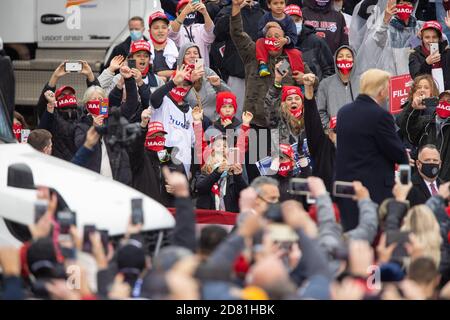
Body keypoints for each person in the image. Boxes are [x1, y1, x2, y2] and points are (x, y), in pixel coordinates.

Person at [335, 68, 408, 231]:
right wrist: (404, 184)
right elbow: (399, 154)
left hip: (346, 191)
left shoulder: (343, 113)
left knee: (352, 238)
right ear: (381, 90)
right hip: (375, 192)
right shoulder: (381, 116)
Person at [213, 0, 265, 116]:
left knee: (256, 119)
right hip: (236, 74)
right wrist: (237, 9)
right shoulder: (227, 10)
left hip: (258, 76)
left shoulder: (263, 14)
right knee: (233, 115)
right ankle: (232, 135)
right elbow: (218, 32)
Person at [127, 109, 186, 207]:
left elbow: (186, 190)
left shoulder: (173, 160)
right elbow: (136, 147)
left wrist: (177, 190)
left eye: (161, 135)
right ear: (146, 138)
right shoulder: (140, 158)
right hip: (146, 209)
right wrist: (143, 125)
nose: (158, 138)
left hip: (168, 212)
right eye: (154, 135)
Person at [74, 86, 132, 185]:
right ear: (87, 103)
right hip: (93, 180)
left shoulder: (113, 120)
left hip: (117, 178)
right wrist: (93, 127)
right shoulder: (81, 125)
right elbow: (80, 146)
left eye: (100, 99)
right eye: (94, 99)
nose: (97, 102)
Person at [149, 65, 195, 175]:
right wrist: (173, 82)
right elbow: (153, 99)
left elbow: (193, 142)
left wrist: (191, 171)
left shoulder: (190, 111)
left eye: (185, 85)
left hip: (185, 167)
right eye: (179, 83)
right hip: (163, 161)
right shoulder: (163, 100)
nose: (182, 87)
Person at [355, 0, 420, 77]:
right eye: (401, 3)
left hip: (409, 76)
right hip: (390, 74)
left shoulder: (416, 26)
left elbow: (414, 49)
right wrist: (385, 22)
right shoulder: (388, 24)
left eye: (408, 3)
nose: (405, 6)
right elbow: (377, 41)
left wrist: (418, 38)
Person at [400, 90, 450, 181]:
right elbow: (406, 129)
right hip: (423, 181)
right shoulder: (426, 122)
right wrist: (414, 109)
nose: (445, 103)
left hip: (446, 184)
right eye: (442, 100)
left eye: (449, 101)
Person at [178, 42, 231, 121]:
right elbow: (176, 100)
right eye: (188, 53)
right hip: (191, 122)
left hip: (215, 122)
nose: (192, 56)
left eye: (195, 53)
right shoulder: (177, 76)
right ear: (182, 57)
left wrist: (219, 85)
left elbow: (229, 96)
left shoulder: (207, 72)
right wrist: (190, 81)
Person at [195, 136, 248, 212]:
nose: (222, 148)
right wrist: (217, 172)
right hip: (209, 218)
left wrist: (238, 176)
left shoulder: (233, 173)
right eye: (218, 145)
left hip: (228, 219)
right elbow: (201, 188)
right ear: (212, 151)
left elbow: (244, 193)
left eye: (225, 146)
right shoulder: (205, 170)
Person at [303, 73, 336, 191]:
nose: (335, 134)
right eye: (334, 130)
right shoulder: (322, 145)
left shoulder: (352, 147)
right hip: (323, 200)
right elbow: (312, 119)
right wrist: (308, 89)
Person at [285, 4, 335, 82]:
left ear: (302, 20)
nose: (294, 24)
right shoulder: (280, 43)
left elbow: (330, 71)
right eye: (290, 21)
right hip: (286, 92)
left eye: (297, 20)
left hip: (314, 92)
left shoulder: (316, 41)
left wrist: (317, 88)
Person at [396, 74, 440, 155]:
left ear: (432, 92)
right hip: (410, 157)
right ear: (413, 92)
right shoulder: (407, 108)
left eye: (426, 88)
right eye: (419, 88)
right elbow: (401, 123)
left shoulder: (439, 111)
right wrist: (412, 107)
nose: (422, 90)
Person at [317, 45, 359, 128]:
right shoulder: (325, 83)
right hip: (335, 135)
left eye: (348, 56)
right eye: (340, 56)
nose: (344, 59)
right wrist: (329, 126)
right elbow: (320, 111)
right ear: (335, 60)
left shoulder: (364, 82)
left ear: (354, 60)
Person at [255, 0, 299, 77]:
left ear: (285, 4)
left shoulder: (289, 20)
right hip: (268, 45)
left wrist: (286, 40)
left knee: (296, 53)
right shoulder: (265, 18)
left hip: (283, 48)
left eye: (281, 3)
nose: (279, 6)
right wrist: (266, 27)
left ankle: (295, 76)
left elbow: (294, 37)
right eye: (275, 3)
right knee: (259, 41)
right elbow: (258, 35)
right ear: (269, 5)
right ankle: (263, 66)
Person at [169, 0, 215, 68]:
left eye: (190, 10)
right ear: (177, 14)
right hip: (183, 72)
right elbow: (172, 34)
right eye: (184, 10)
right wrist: (184, 13)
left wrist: (205, 13)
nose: (188, 12)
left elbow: (211, 34)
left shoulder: (200, 27)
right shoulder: (176, 28)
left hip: (202, 70)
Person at [408, 20, 450, 91]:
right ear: (422, 38)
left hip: (447, 96)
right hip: (427, 97)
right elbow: (416, 78)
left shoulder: (447, 52)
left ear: (439, 39)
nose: (431, 40)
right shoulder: (415, 54)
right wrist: (427, 64)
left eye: (434, 37)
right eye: (427, 37)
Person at [148, 11, 179, 80]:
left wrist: (159, 73)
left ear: (168, 30)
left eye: (164, 27)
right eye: (156, 28)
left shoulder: (177, 50)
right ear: (149, 31)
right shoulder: (143, 51)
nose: (160, 31)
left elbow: (185, 73)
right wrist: (173, 72)